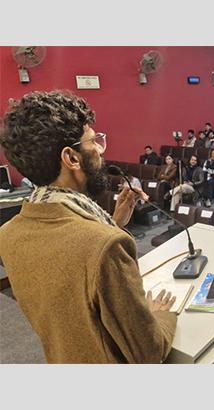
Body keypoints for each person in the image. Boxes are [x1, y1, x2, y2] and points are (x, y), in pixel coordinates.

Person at [0, 91, 176, 363]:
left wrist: (113, 224)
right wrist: (162, 315)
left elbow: (71, 290)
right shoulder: (105, 245)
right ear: (71, 158)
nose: (101, 149)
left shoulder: (8, 233)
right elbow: (148, 351)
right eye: (94, 141)